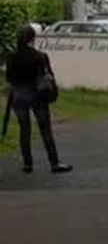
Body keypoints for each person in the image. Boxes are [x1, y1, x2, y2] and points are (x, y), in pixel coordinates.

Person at [4, 24, 71, 174]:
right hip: (38, 95)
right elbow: (49, 76)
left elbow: (9, 78)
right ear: (32, 39)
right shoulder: (40, 56)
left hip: (19, 95)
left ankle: (27, 164)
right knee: (45, 129)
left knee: (24, 130)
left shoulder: (11, 57)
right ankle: (54, 163)